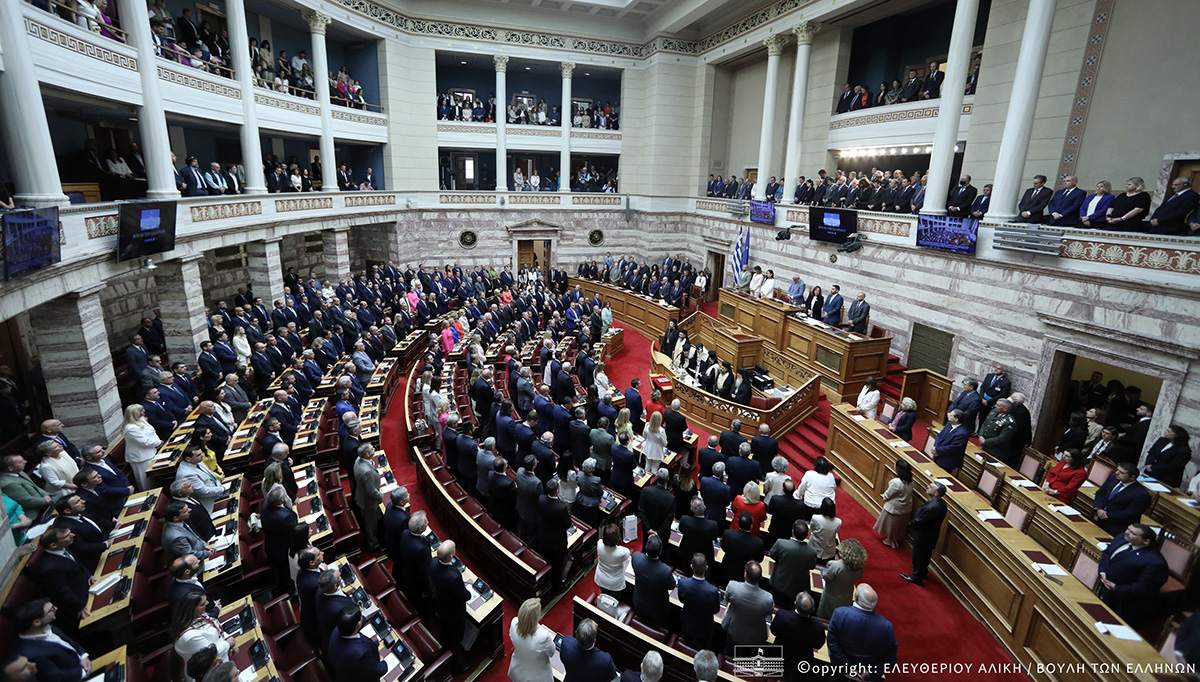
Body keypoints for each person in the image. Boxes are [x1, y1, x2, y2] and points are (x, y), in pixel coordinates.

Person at [1098, 523, 1169, 627]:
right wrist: (1102, 571)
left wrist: (1117, 588)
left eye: (1133, 533)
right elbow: (1107, 552)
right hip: (1107, 590)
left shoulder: (1155, 562)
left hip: (1126, 602)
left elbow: (1143, 589)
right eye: (1128, 529)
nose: (1126, 532)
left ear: (1146, 541)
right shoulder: (1121, 538)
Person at [826, 585, 897, 682]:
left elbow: (832, 643)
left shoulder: (840, 614)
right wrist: (871, 671)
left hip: (840, 672)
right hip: (865, 678)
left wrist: (848, 667)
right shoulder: (886, 627)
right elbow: (890, 657)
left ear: (856, 597)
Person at [15, 599, 91, 682]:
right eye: (51, 609)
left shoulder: (46, 626)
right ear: (37, 622)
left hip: (83, 664)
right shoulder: (32, 654)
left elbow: (68, 642)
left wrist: (83, 656)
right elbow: (55, 677)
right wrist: (83, 672)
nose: (56, 609)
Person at [171, 593, 233, 680]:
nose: (207, 603)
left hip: (223, 656)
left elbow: (215, 627)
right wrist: (228, 643)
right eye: (202, 604)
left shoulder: (200, 616)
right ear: (192, 609)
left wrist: (228, 640)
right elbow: (210, 654)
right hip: (210, 673)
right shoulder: (189, 637)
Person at [431, 541, 472, 672]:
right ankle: (456, 665)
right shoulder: (453, 576)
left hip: (440, 605)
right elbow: (463, 596)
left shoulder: (432, 563)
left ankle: (443, 641)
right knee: (456, 639)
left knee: (445, 629)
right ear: (451, 557)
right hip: (454, 613)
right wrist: (469, 594)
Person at [771, 592, 826, 682]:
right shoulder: (818, 628)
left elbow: (773, 631)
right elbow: (818, 645)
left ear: (795, 603)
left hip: (779, 657)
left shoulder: (782, 616)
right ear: (813, 609)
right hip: (802, 663)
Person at [721, 561, 774, 655]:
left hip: (734, 631)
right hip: (755, 637)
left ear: (745, 574)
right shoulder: (768, 598)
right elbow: (768, 613)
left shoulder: (733, 586)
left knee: (729, 656)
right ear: (760, 577)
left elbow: (727, 599)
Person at [902, 482, 948, 586]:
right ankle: (922, 572)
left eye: (931, 487)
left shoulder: (931, 508)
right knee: (925, 555)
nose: (927, 486)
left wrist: (910, 523)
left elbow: (920, 521)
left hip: (923, 536)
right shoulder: (942, 503)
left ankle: (916, 577)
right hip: (931, 535)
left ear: (936, 493)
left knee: (919, 556)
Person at [327, 606, 386, 682]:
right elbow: (378, 671)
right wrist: (383, 663)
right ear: (358, 625)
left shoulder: (336, 630)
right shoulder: (361, 654)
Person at [1092, 462, 1152, 536]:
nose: (1117, 473)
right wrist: (1098, 508)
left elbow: (1131, 513)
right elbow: (1100, 493)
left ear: (1132, 477)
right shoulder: (1113, 478)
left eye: (1121, 472)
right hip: (1100, 518)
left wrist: (1108, 515)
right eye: (1117, 470)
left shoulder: (1141, 494)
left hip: (1118, 527)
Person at [769, 519, 816, 607]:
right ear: (806, 535)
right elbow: (812, 566)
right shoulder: (812, 552)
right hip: (797, 587)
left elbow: (772, 555)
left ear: (792, 532)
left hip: (779, 584)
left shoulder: (781, 543)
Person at [816, 537, 866, 620]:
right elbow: (860, 576)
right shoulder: (859, 568)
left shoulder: (835, 565)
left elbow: (827, 577)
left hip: (830, 597)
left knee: (824, 618)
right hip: (846, 598)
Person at [676, 553, 720, 648]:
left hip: (687, 624)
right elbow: (716, 610)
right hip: (705, 629)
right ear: (706, 568)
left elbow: (682, 599)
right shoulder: (713, 591)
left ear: (691, 567)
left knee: (685, 646)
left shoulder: (683, 583)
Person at [508, 597, 556, 682]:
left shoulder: (514, 622)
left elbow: (512, 637)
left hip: (518, 669)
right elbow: (551, 652)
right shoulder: (543, 636)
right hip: (537, 676)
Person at [874, 459, 914, 549]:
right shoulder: (910, 480)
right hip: (905, 508)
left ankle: (890, 541)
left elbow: (888, 495)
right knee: (898, 527)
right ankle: (894, 540)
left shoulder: (896, 482)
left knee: (891, 526)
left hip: (894, 508)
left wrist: (884, 497)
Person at [122, 403, 162, 490]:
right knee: (146, 481)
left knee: (155, 479)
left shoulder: (142, 420)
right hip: (141, 457)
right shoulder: (131, 428)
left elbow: (152, 432)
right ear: (135, 414)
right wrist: (158, 443)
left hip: (151, 451)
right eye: (141, 410)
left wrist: (158, 442)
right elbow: (145, 441)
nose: (144, 411)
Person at [595, 522, 631, 601]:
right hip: (615, 584)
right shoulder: (622, 552)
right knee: (615, 600)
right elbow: (627, 554)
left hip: (601, 579)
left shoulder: (599, 544)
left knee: (604, 595)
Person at [979, 398, 1018, 467]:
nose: (995, 406)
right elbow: (985, 424)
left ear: (1005, 409)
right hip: (984, 446)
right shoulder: (993, 412)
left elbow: (1002, 438)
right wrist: (981, 435)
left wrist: (986, 441)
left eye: (998, 405)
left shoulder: (1009, 421)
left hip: (995, 451)